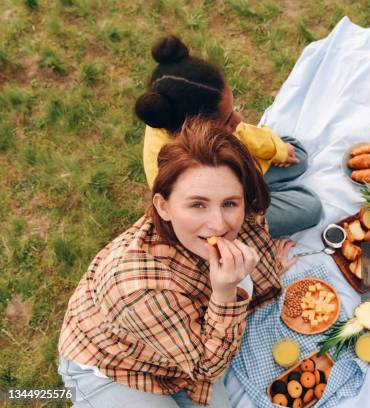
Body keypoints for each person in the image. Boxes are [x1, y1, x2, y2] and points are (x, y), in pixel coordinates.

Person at [57, 119, 297, 407]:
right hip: (113, 365)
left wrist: (267, 266)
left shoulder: (244, 217)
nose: (218, 224)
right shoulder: (136, 287)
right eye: (197, 205)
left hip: (176, 352)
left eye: (230, 203)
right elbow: (207, 368)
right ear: (163, 207)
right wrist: (225, 293)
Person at [135, 35, 322, 239]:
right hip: (231, 202)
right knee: (310, 207)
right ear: (195, 135)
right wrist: (241, 207)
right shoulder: (173, 171)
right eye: (227, 120)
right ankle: (260, 199)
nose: (239, 118)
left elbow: (241, 132)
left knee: (298, 155)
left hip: (244, 172)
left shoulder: (189, 121)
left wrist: (277, 150)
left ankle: (266, 188)